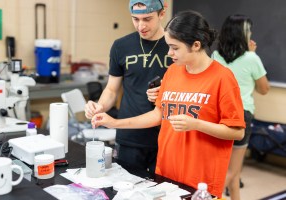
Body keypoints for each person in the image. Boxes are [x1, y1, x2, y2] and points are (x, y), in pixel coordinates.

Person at [92, 10, 246, 197]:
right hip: (167, 171)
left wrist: (196, 124)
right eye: (168, 46)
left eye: (175, 47)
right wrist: (114, 123)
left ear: (196, 45)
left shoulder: (223, 78)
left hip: (202, 177)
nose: (169, 53)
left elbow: (237, 132)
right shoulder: (173, 72)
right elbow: (158, 115)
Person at [84, 0, 172, 175]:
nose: (141, 26)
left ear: (162, 14)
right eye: (135, 19)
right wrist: (100, 106)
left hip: (166, 136)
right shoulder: (121, 46)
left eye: (147, 19)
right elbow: (111, 89)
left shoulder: (174, 45)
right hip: (129, 136)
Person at [212, 14, 269, 200]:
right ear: (242, 33)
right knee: (233, 171)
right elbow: (264, 89)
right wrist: (253, 55)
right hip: (240, 115)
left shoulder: (215, 56)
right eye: (249, 30)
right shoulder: (251, 58)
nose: (251, 33)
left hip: (218, 115)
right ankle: (209, 195)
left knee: (230, 172)